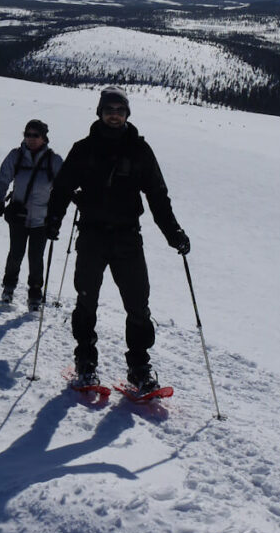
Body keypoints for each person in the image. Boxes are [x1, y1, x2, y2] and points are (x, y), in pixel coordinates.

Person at [46, 87, 190, 395]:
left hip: (127, 236)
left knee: (138, 304)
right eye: (109, 109)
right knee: (87, 301)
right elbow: (62, 187)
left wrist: (173, 232)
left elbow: (157, 195)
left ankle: (139, 368)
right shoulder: (83, 149)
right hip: (92, 235)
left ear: (127, 114)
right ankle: (85, 361)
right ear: (100, 112)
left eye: (120, 110)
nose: (115, 114)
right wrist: (53, 219)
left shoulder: (140, 150)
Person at [0, 119, 63, 311]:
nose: (31, 139)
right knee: (15, 254)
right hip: (18, 215)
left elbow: (64, 188)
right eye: (27, 134)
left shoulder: (53, 160)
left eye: (35, 135)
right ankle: (8, 288)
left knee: (36, 258)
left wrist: (56, 217)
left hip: (41, 219)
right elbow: (2, 179)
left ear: (44, 137)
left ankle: (35, 295)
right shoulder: (16, 156)